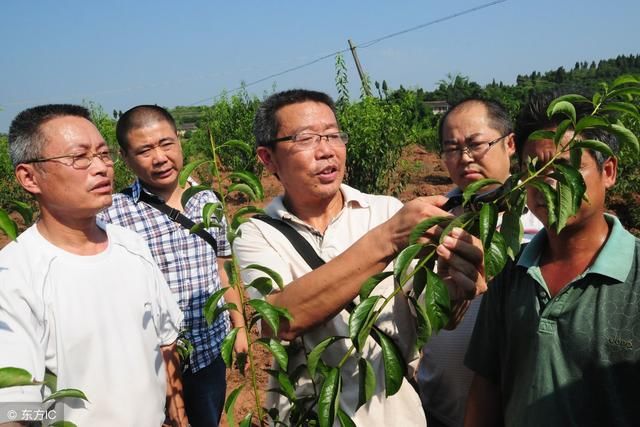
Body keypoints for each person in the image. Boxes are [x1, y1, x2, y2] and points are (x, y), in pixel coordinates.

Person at [232, 89, 488, 425]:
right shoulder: (257, 233)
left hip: (394, 414)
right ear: (268, 159)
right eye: (306, 138)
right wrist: (388, 238)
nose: (326, 150)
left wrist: (455, 288)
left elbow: (433, 317)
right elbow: (282, 317)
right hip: (309, 416)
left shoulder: (385, 210)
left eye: (333, 135)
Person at [0, 104, 186, 426]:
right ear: (29, 177)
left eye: (103, 154)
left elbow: (166, 340)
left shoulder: (132, 246)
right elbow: (11, 410)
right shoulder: (15, 276)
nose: (101, 168)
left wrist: (175, 409)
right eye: (80, 158)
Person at [464, 94, 640, 426]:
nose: (548, 182)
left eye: (566, 166)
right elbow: (487, 384)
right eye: (535, 168)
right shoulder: (511, 272)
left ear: (609, 172)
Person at [98, 105, 246, 427]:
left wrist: (239, 327)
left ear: (179, 141)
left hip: (209, 349)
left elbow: (222, 269)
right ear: (125, 157)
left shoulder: (208, 200)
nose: (160, 158)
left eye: (166, 143)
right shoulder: (113, 214)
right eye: (144, 150)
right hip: (151, 362)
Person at [417, 98, 542, 427]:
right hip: (435, 410)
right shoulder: (433, 220)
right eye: (451, 148)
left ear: (510, 144)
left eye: (475, 144)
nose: (464, 158)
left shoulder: (539, 223)